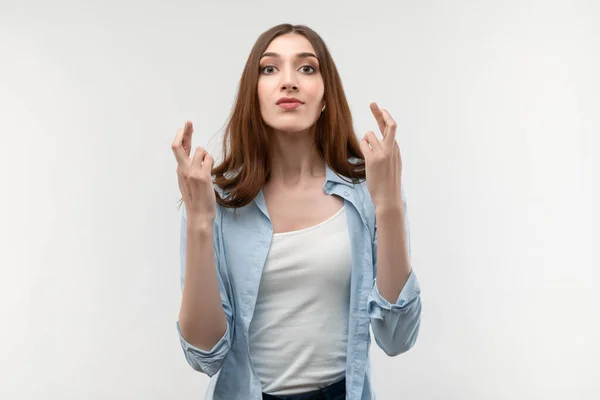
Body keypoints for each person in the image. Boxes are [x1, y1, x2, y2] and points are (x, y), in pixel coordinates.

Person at [171, 23, 422, 400]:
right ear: (252, 95)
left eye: (306, 68)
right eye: (269, 69)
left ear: (325, 96)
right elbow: (204, 354)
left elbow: (397, 337)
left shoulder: (368, 190)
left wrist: (387, 206)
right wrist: (200, 223)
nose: (288, 81)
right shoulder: (217, 200)